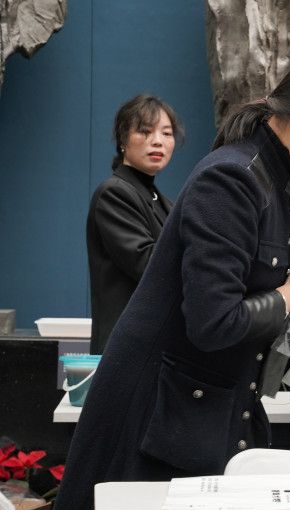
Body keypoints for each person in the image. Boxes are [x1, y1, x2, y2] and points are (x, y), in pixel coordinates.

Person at [39, 49, 290, 510]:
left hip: (203, 409)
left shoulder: (278, 183)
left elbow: (255, 298)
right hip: (155, 417)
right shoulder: (233, 179)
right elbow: (213, 320)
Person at [86, 94, 183, 354]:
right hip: (126, 348)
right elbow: (150, 264)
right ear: (122, 140)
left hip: (155, 345)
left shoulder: (165, 203)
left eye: (166, 133)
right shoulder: (114, 193)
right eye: (144, 131)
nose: (158, 141)